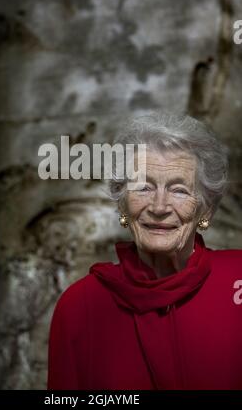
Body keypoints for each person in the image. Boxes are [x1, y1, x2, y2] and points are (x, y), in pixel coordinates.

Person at [47, 111, 242, 390]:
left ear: (206, 209)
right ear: (122, 203)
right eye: (144, 187)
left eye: (179, 190)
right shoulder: (80, 306)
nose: (159, 207)